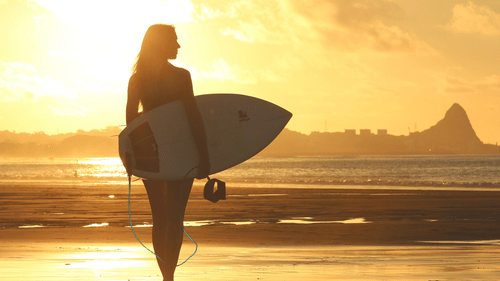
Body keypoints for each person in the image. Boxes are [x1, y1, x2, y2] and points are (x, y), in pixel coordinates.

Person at [126, 24, 210, 281]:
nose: (178, 45)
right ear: (161, 43)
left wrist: (133, 157)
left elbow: (131, 123)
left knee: (160, 219)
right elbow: (193, 118)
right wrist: (204, 156)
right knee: (175, 218)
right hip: (182, 152)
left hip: (152, 155)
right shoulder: (181, 76)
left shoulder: (137, 79)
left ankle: (167, 277)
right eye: (174, 40)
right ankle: (168, 278)